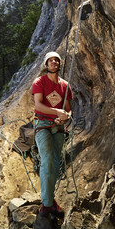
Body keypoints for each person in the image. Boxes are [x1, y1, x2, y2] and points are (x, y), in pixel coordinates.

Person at [32, 51, 72, 218]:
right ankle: (46, 204)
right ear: (46, 64)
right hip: (42, 125)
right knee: (47, 160)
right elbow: (38, 105)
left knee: (56, 164)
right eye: (51, 61)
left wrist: (65, 118)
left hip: (58, 128)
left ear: (59, 64)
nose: (54, 63)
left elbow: (68, 108)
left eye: (56, 60)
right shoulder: (39, 82)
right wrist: (56, 112)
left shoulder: (65, 85)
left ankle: (50, 200)